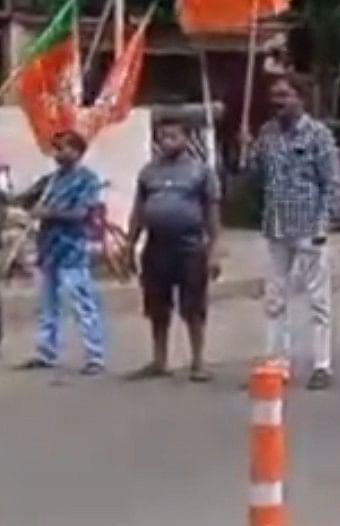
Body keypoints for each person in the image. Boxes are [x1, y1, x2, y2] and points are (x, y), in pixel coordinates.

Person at [250, 73, 340, 391]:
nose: (278, 102)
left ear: (300, 98)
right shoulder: (267, 133)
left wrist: (323, 224)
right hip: (276, 226)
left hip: (309, 227)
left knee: (318, 299)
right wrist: (245, 150)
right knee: (275, 298)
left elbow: (331, 183)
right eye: (274, 96)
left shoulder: (318, 135)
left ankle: (321, 364)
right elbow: (256, 174)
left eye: (285, 95)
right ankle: (277, 361)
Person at [124, 115, 222, 382]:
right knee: (157, 307)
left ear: (186, 139)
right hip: (156, 247)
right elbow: (138, 211)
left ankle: (198, 362)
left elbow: (211, 215)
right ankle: (159, 361)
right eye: (163, 137)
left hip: (190, 247)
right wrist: (129, 244)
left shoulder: (200, 172)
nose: (167, 142)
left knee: (193, 307)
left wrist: (214, 252)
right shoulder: (148, 172)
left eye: (173, 136)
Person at [15, 130, 106, 375]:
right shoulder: (51, 180)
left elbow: (81, 214)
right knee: (47, 304)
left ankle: (95, 355)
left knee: (82, 303)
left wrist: (49, 213)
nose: (58, 154)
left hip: (72, 249)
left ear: (78, 151)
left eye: (64, 148)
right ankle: (46, 352)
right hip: (49, 249)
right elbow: (24, 199)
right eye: (56, 148)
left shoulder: (88, 180)